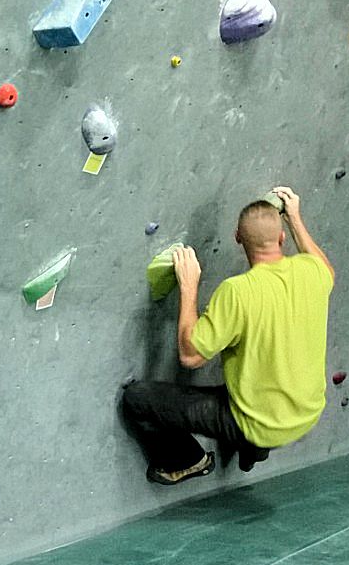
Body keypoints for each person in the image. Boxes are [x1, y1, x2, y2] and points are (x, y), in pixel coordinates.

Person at [119, 186, 335, 485]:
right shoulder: (313, 272)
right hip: (306, 413)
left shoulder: (237, 292)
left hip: (260, 420)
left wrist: (189, 286)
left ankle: (188, 461)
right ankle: (254, 451)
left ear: (237, 238)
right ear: (283, 238)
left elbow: (190, 355)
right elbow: (324, 267)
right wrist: (295, 218)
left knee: (138, 398)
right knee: (251, 382)